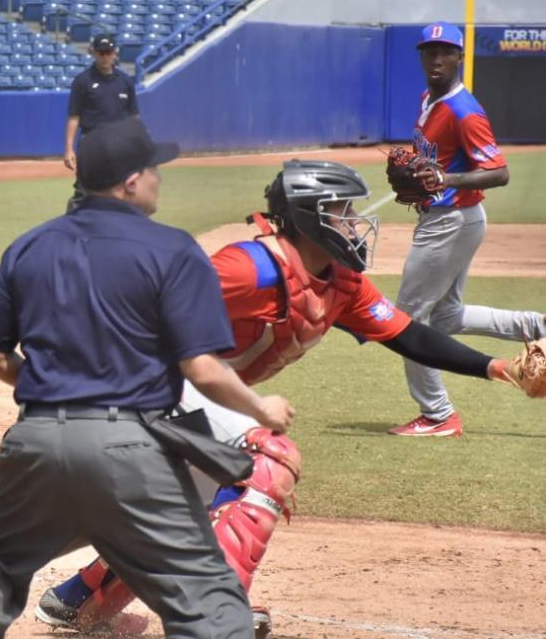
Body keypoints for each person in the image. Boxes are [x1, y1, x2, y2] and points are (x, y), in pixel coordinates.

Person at [34, 159, 533, 638]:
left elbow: (409, 336)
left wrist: (500, 368)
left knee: (185, 512)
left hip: (189, 397)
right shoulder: (250, 267)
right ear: (309, 215)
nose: (357, 222)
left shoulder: (341, 284)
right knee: (267, 459)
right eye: (344, 210)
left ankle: (77, 602)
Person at [0, 116, 295, 639]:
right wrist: (262, 411)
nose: (159, 179)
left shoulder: (29, 246)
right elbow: (202, 369)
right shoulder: (172, 249)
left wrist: (55, 389)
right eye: (153, 169)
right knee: (209, 599)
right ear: (128, 180)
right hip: (132, 447)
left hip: (34, 441)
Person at [389, 21, 546, 437]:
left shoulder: (464, 111)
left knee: (408, 319)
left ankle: (438, 415)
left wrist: (446, 180)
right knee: (447, 315)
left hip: (451, 221)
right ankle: (541, 327)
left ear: (460, 57)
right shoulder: (429, 98)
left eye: (446, 51)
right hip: (448, 219)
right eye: (430, 51)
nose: (437, 59)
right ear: (422, 56)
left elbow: (499, 173)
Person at [62, 32, 139, 211]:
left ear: (115, 53)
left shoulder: (125, 82)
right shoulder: (82, 81)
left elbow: (134, 116)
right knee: (84, 192)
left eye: (108, 52)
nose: (105, 56)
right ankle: (71, 231)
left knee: (121, 190)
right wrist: (68, 149)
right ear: (94, 53)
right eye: (101, 52)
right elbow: (74, 117)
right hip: (91, 144)